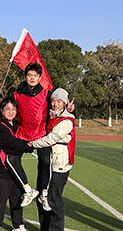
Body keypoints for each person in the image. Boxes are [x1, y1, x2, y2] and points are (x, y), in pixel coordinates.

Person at [10, 63, 75, 210]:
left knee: (46, 162)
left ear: (40, 77)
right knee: (11, 159)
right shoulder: (16, 94)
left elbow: (57, 106)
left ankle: (44, 195)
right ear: (25, 76)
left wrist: (70, 109)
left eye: (35, 75)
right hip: (22, 134)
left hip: (41, 134)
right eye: (29, 75)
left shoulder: (46, 94)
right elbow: (8, 108)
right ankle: (28, 190)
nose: (32, 78)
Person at [29, 88, 75, 231]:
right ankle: (45, 229)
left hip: (59, 165)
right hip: (47, 162)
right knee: (42, 196)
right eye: (53, 101)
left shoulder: (67, 121)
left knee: (54, 199)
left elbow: (51, 138)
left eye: (59, 101)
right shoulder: (51, 116)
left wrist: (33, 144)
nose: (55, 104)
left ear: (65, 103)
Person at [0, 97, 34, 231]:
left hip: (14, 167)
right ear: (1, 110)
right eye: (7, 109)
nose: (11, 112)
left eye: (13, 109)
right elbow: (10, 143)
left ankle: (18, 226)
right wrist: (27, 147)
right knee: (1, 197)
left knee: (17, 196)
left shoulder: (17, 125)